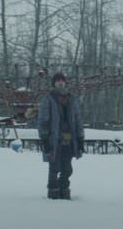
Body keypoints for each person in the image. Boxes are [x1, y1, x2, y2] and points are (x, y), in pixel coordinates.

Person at [37, 72, 84, 200]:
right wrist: (45, 138)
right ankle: (53, 192)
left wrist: (80, 139)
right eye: (57, 81)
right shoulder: (48, 99)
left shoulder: (72, 99)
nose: (60, 82)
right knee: (54, 166)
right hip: (54, 139)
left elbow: (77, 120)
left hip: (69, 139)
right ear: (54, 83)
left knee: (67, 168)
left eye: (62, 80)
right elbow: (43, 120)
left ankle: (64, 190)